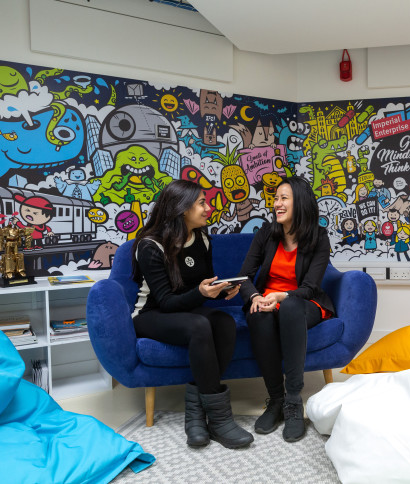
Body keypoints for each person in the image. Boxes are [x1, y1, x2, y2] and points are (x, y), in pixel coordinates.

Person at [131, 180, 253, 449]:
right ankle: (220, 420)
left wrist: (221, 291)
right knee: (199, 325)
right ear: (182, 208)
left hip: (185, 309)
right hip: (151, 314)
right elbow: (166, 302)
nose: (208, 208)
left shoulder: (202, 239)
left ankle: (196, 415)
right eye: (202, 203)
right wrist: (201, 293)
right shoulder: (150, 245)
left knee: (224, 322)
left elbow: (201, 287)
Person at [238, 176, 335, 443]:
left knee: (290, 306)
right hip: (269, 301)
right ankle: (276, 401)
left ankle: (293, 401)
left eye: (284, 198)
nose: (277, 204)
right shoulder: (266, 233)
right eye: (276, 198)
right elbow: (244, 276)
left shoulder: (318, 237)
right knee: (257, 314)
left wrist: (284, 296)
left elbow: (310, 287)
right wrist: (256, 297)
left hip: (303, 303)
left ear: (300, 202)